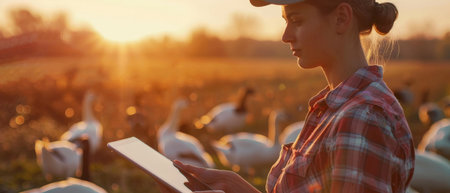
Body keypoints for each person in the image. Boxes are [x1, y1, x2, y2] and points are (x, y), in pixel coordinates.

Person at [173, 0, 415, 192]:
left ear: (341, 18)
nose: (285, 35)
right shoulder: (337, 107)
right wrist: (235, 187)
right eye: (286, 21)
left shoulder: (361, 118)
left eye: (296, 20)